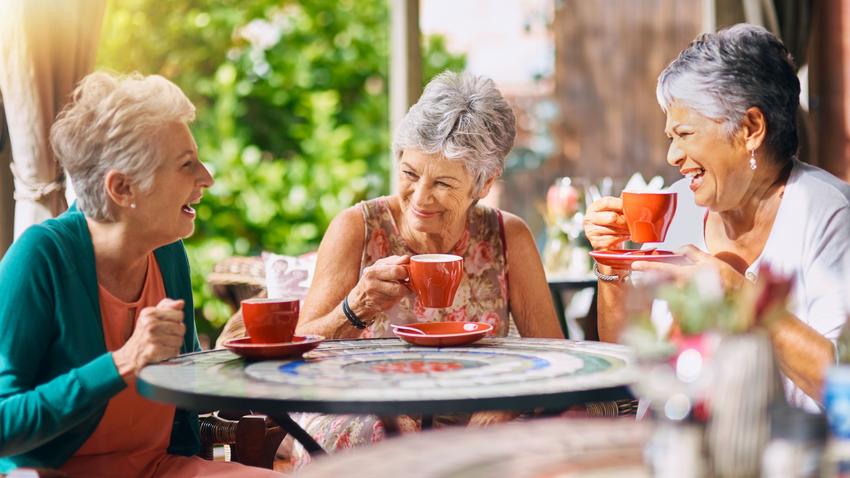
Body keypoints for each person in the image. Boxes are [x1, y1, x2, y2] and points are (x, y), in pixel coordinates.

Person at [0, 72, 280, 476]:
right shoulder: (40, 257)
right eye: (187, 164)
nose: (207, 177)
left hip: (157, 468)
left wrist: (243, 354)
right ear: (123, 188)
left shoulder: (167, 251)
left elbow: (183, 387)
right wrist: (122, 362)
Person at [281, 71, 562, 467]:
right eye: (410, 174)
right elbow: (295, 350)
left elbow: (555, 358)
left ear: (483, 185)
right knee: (394, 440)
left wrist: (509, 404)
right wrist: (356, 306)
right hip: (359, 410)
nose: (420, 196)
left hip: (472, 421)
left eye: (444, 183)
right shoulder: (357, 227)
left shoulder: (508, 236)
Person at [583, 24, 850, 412]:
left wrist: (736, 293)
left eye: (685, 133)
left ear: (751, 128)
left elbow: (840, 381)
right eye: (670, 137)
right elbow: (629, 367)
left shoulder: (826, 213)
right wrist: (611, 265)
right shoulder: (676, 206)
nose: (672, 156)